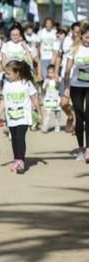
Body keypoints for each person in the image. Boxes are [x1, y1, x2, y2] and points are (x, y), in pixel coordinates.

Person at [0, 60, 41, 174]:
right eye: (6, 73)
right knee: (14, 139)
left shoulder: (26, 83)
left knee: (20, 137)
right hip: (11, 116)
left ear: (17, 73)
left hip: (23, 116)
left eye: (9, 73)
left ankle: (21, 161)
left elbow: (34, 98)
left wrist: (39, 113)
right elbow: (4, 101)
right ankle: (17, 159)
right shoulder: (6, 84)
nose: (7, 76)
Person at [63, 22, 89, 162]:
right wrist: (66, 87)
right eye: (86, 37)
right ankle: (80, 149)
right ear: (81, 36)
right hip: (76, 86)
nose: (88, 40)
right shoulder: (74, 49)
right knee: (80, 116)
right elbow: (67, 71)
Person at [42, 64, 62, 132]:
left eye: (52, 72)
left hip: (56, 100)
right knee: (47, 114)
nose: (50, 74)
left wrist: (56, 81)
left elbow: (58, 86)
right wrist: (46, 83)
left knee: (57, 114)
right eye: (48, 72)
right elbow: (43, 88)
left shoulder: (58, 79)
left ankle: (57, 126)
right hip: (48, 100)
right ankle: (45, 127)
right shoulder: (46, 80)